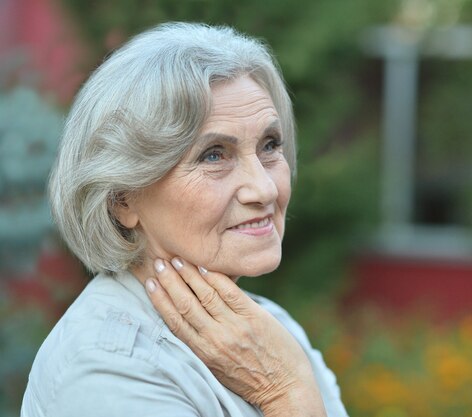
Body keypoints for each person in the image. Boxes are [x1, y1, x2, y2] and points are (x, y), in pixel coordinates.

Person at [21, 22, 348, 417]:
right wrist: (285, 394)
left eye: (269, 145)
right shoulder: (108, 367)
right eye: (214, 155)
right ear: (123, 198)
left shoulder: (270, 329)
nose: (264, 189)